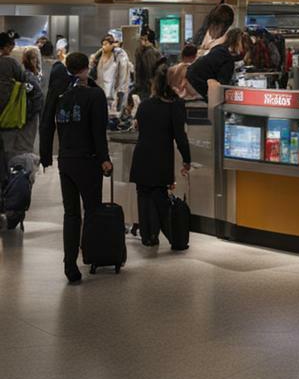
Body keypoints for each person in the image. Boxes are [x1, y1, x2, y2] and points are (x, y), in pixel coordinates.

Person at [40, 52, 111, 284]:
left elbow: (46, 122)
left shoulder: (59, 93)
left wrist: (45, 155)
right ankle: (91, 255)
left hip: (66, 161)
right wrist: (105, 158)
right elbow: (98, 133)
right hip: (88, 160)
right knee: (92, 210)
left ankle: (69, 264)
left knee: (71, 214)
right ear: (87, 67)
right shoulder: (95, 95)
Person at [128, 63, 190, 248]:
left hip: (142, 156)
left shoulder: (145, 105)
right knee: (161, 199)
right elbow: (180, 136)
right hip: (161, 157)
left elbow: (139, 127)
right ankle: (175, 238)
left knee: (144, 196)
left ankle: (149, 237)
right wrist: (187, 159)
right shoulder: (176, 105)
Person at [1, 48, 43, 177]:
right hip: (17, 124)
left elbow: (37, 97)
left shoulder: (24, 80)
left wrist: (26, 115)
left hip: (14, 124)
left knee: (13, 154)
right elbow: (38, 97)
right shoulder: (25, 80)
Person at [186, 28, 246, 99]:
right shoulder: (227, 59)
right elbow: (222, 86)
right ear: (238, 43)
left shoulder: (219, 48)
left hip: (189, 78)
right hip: (197, 85)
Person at [91, 34, 131, 124]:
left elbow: (123, 74)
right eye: (103, 44)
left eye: (106, 44)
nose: (103, 46)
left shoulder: (120, 54)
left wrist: (120, 89)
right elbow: (92, 67)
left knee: (113, 109)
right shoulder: (99, 54)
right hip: (101, 86)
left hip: (113, 89)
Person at [132, 28, 163, 101]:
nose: (140, 41)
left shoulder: (149, 52)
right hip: (147, 86)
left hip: (147, 86)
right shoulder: (146, 51)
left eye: (142, 39)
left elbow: (150, 70)